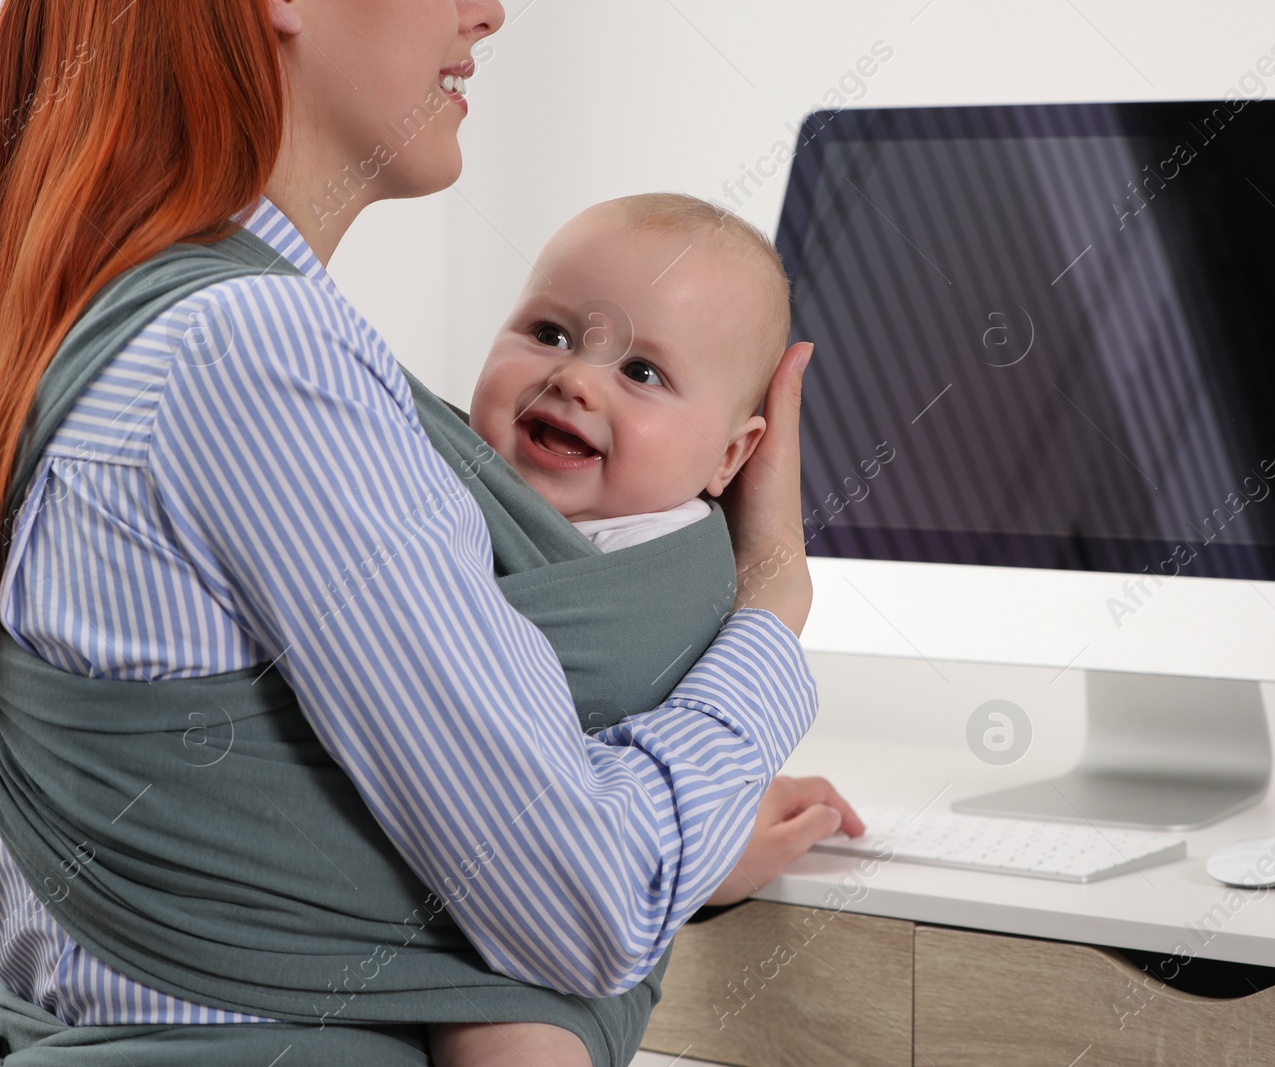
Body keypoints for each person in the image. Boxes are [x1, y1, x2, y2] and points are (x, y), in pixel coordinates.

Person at [0, 1, 860, 1064]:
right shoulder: (254, 351)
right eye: (547, 331)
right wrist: (773, 605)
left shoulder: (103, 310)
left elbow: (337, 797)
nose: (488, 11)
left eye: (642, 371)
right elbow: (590, 908)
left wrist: (668, 817)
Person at [431, 192, 834, 1066]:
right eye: (548, 332)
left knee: (520, 1047)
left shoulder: (688, 573)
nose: (575, 378)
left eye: (643, 373)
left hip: (535, 958)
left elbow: (643, 746)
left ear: (732, 457)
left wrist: (716, 835)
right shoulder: (426, 481)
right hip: (400, 887)